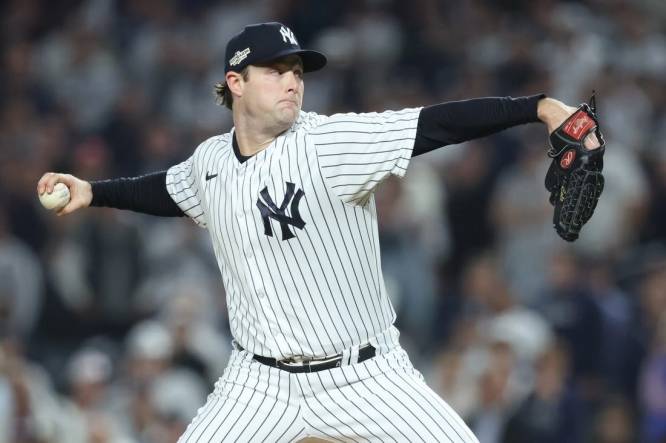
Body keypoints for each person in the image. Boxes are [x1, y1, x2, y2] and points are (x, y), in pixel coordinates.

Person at [37, 22, 599, 443]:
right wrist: (95, 191)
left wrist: (540, 108)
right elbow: (170, 189)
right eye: (276, 70)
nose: (292, 83)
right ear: (235, 81)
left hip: (367, 376)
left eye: (297, 72)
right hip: (257, 385)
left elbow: (434, 124)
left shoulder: (328, 145)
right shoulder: (210, 161)